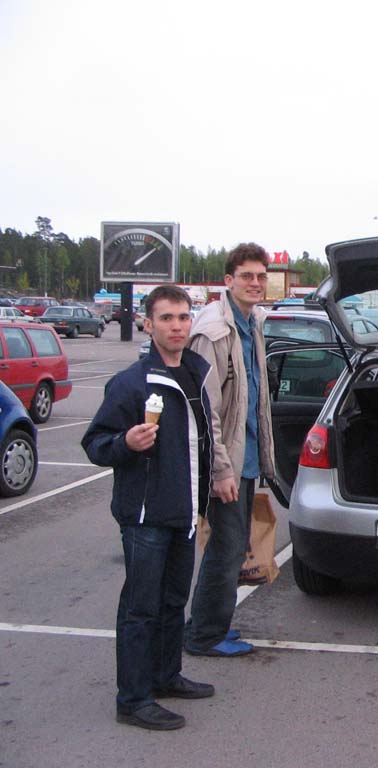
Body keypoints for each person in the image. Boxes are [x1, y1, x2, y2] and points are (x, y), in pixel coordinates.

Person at [82, 285, 215, 730]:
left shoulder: (195, 373)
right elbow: (95, 443)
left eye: (183, 317)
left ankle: (165, 675)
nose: (177, 326)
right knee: (140, 609)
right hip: (146, 517)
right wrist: (125, 442)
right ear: (148, 324)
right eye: (166, 318)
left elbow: (200, 444)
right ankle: (134, 699)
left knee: (174, 601)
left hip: (185, 511)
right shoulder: (131, 383)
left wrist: (206, 497)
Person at [185, 243, 276, 657]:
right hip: (226, 464)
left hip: (245, 458)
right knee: (226, 549)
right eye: (247, 276)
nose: (255, 283)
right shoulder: (214, 332)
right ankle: (204, 636)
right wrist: (221, 470)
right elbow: (206, 410)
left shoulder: (250, 322)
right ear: (228, 280)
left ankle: (206, 625)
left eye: (260, 276)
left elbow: (252, 399)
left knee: (231, 547)